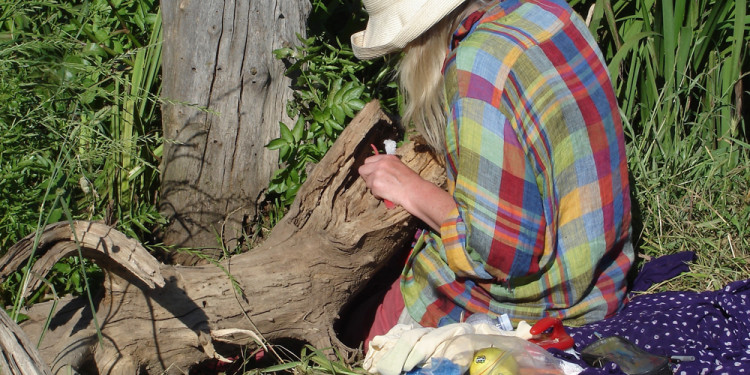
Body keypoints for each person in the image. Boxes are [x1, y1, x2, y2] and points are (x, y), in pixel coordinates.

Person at [354, 0, 634, 344]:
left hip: (547, 305)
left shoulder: (478, 62)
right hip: (601, 275)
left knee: (366, 330)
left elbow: (499, 255)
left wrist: (409, 188)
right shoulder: (552, 11)